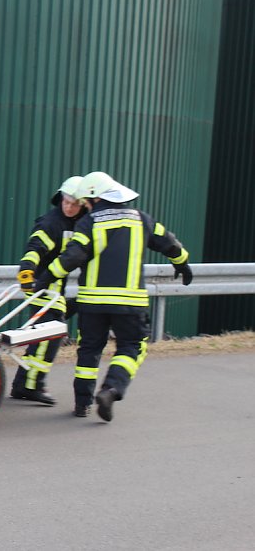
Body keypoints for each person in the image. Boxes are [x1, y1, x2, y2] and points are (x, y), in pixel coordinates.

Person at [34, 171, 193, 420]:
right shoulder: (141, 219)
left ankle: (82, 404)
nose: (84, 205)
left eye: (86, 200)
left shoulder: (91, 222)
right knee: (131, 347)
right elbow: (169, 242)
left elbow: (72, 257)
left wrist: (44, 278)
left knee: (88, 351)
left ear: (96, 198)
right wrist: (182, 263)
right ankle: (111, 389)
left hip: (92, 304)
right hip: (129, 304)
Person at [10, 176, 84, 405]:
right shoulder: (52, 223)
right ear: (60, 198)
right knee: (48, 336)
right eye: (66, 202)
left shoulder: (81, 223)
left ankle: (24, 384)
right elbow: (35, 247)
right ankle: (30, 386)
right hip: (42, 285)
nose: (69, 207)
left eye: (74, 204)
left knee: (45, 335)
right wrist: (27, 270)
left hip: (56, 288)